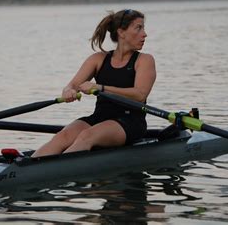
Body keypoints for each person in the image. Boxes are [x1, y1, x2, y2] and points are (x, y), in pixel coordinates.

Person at [31, 9, 156, 158]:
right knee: (62, 137)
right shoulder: (98, 59)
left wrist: (101, 88)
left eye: (143, 28)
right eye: (138, 28)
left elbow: (140, 95)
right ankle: (26, 170)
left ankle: (54, 172)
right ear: (121, 32)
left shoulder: (144, 60)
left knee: (87, 136)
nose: (144, 34)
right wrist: (68, 91)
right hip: (99, 118)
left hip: (130, 122)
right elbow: (73, 85)